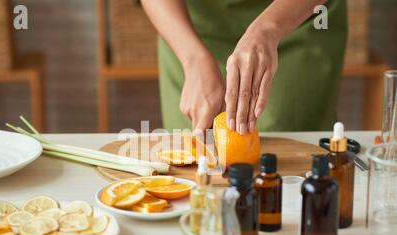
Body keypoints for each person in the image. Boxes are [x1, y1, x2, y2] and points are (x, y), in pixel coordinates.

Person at [140, 0, 347, 134]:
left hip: (298, 18)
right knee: (195, 159)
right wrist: (192, 59)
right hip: (191, 28)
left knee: (284, 153)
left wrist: (267, 30)